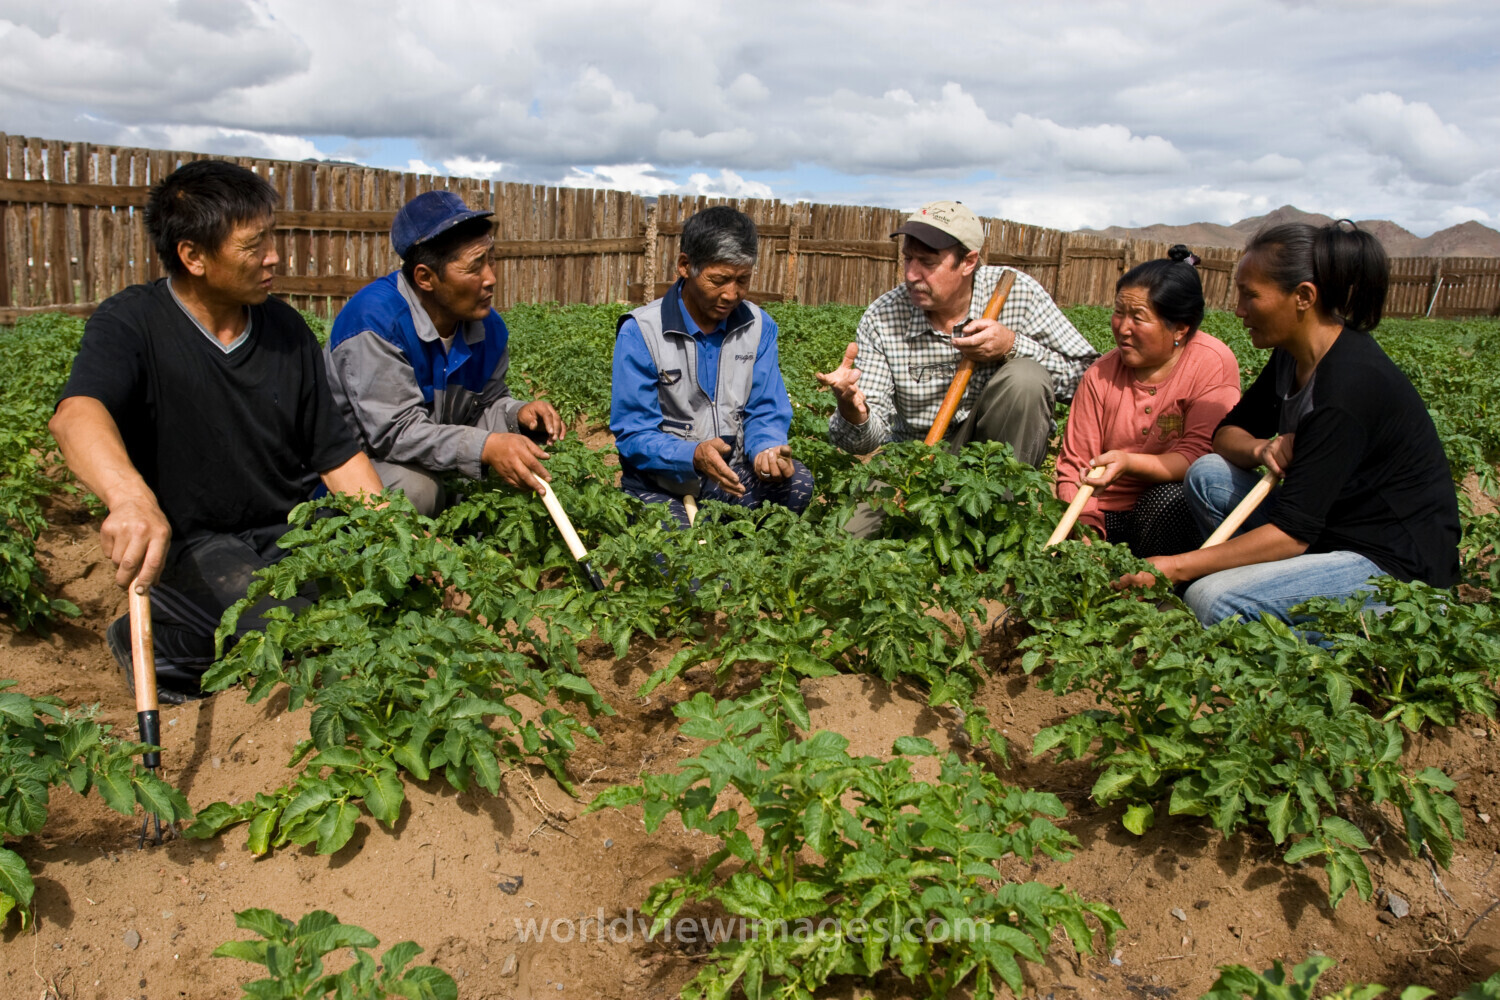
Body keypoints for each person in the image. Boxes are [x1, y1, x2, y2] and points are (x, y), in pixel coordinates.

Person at [50, 160, 384, 702]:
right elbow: (76, 415)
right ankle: (159, 642)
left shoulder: (286, 330)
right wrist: (130, 498)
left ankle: (205, 634)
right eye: (254, 245)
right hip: (196, 544)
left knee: (375, 606)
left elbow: (338, 454)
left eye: (271, 238)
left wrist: (399, 542)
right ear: (194, 257)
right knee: (290, 635)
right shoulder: (132, 323)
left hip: (288, 531)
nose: (274, 256)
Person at [1115, 221, 1461, 625]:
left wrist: (1176, 567)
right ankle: (1279, 585)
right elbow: (1225, 435)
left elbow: (1290, 534)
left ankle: (1388, 632)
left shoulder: (1347, 388)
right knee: (1207, 474)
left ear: (1303, 297)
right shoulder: (1291, 357)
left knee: (1212, 600)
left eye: (1250, 295)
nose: (1239, 310)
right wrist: (1261, 449)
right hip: (1328, 531)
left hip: (1392, 567)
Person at [325, 191, 564, 516]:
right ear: (425, 277)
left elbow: (484, 405)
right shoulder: (375, 323)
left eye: (490, 259)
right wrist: (487, 447)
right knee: (418, 490)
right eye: (474, 267)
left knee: (514, 474)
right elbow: (395, 435)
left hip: (426, 458)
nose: (491, 278)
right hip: (354, 468)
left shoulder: (488, 328)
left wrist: (516, 415)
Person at [817, 200, 1098, 464]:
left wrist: (1012, 347)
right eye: (908, 259)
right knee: (861, 519)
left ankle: (1006, 507)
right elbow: (862, 443)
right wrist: (853, 412)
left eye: (927, 263)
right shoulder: (885, 316)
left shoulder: (1018, 296)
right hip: (916, 461)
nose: (911, 275)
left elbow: (1089, 383)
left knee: (1025, 377)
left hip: (997, 463)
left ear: (968, 261)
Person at [611, 206, 812, 527]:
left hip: (729, 477)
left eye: (742, 280)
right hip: (662, 486)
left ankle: (726, 534)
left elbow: (765, 409)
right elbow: (634, 434)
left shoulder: (759, 326)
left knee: (798, 484)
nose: (731, 294)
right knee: (682, 562)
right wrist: (691, 456)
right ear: (685, 266)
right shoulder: (641, 331)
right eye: (718, 280)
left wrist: (766, 451)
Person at [1055, 246, 1241, 556]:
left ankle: (1160, 588)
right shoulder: (1100, 375)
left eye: (1138, 318)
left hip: (1166, 512)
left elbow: (1198, 455)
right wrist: (1084, 527)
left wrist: (1127, 463)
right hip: (1105, 512)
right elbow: (1076, 465)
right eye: (1119, 312)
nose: (1122, 327)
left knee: (1171, 501)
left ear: (1180, 327)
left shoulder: (1211, 363)